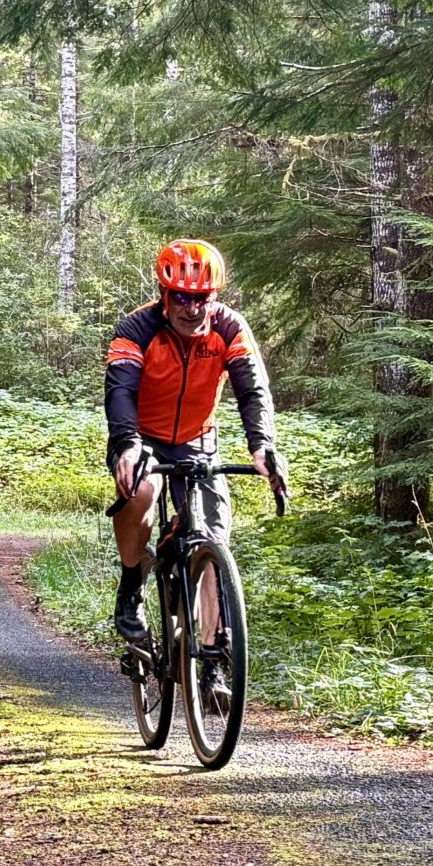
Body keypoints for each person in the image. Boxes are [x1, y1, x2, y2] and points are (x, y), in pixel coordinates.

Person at [105, 239, 289, 666]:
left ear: (214, 297)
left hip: (197, 437)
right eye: (182, 298)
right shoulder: (137, 329)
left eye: (201, 298)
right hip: (142, 436)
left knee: (211, 539)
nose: (192, 308)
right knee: (142, 491)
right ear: (164, 296)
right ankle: (132, 581)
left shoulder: (228, 328)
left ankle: (211, 656)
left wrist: (262, 445)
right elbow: (121, 392)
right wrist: (128, 445)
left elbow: (252, 389)